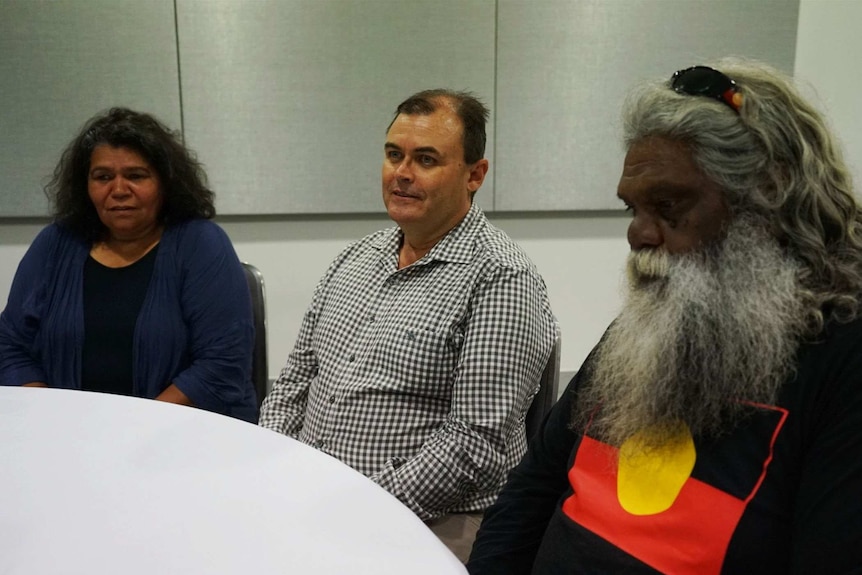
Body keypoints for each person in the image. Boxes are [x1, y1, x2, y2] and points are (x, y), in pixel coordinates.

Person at [468, 60, 862, 574]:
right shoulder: (645, 328)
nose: (638, 235)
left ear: (768, 197)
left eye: (669, 204)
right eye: (633, 209)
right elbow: (531, 491)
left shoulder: (842, 359)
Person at [259, 89, 557, 560]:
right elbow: (293, 383)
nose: (402, 173)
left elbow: (474, 448)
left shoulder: (501, 278)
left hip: (430, 522)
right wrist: (275, 471)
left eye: (426, 159)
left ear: (474, 175)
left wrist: (357, 506)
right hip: (312, 502)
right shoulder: (354, 258)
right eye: (394, 154)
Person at [0, 107, 258, 423]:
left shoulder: (201, 244)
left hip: (178, 435)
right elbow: (10, 344)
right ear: (86, 186)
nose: (119, 190)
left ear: (166, 183)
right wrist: (49, 416)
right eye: (103, 177)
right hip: (64, 432)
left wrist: (134, 428)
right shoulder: (56, 243)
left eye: (136, 176)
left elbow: (223, 362)